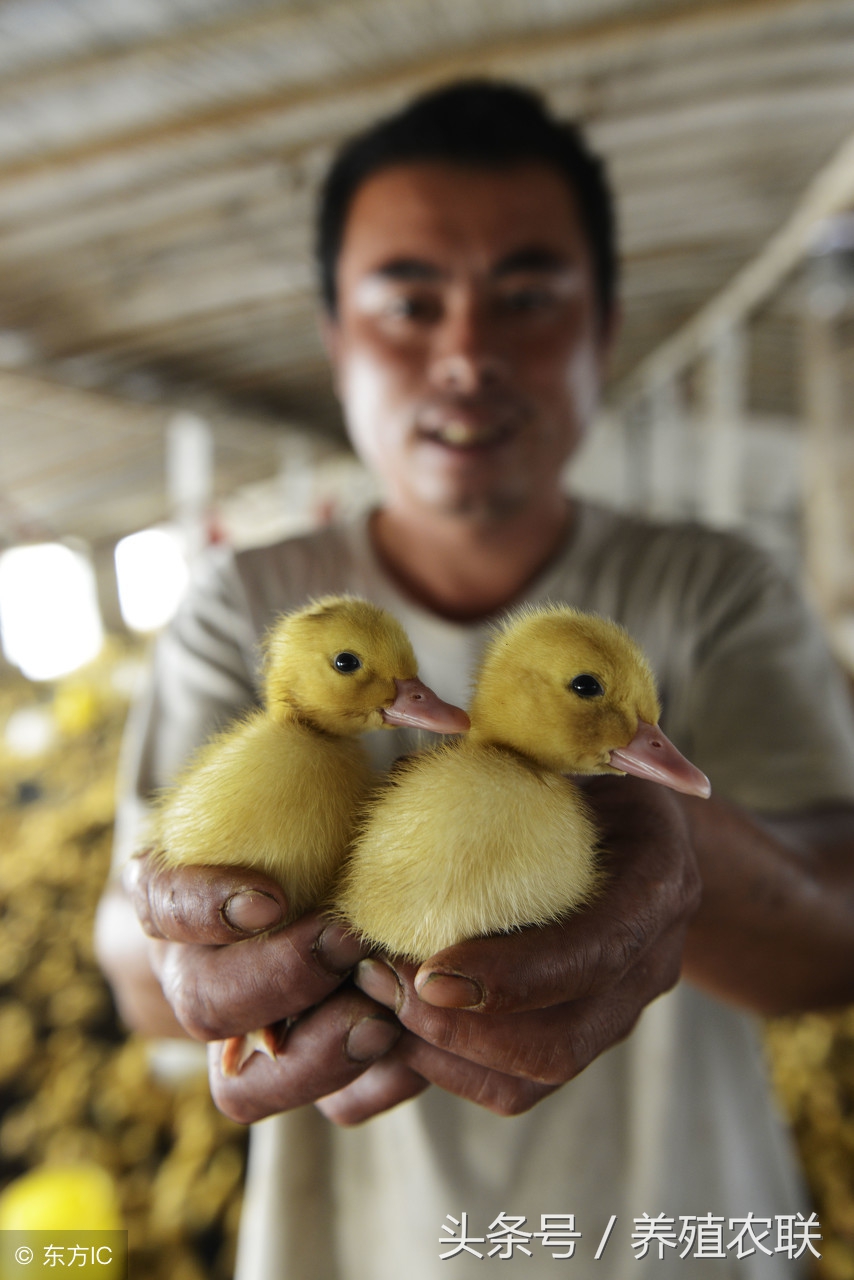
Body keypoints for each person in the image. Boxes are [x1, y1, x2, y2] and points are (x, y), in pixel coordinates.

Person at [95, 81, 854, 1278]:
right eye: (407, 302)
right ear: (336, 341)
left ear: (603, 330)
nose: (464, 354)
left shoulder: (723, 587)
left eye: (527, 296)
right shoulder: (236, 605)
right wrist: (201, 955)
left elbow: (836, 942)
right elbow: (138, 969)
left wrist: (682, 853)